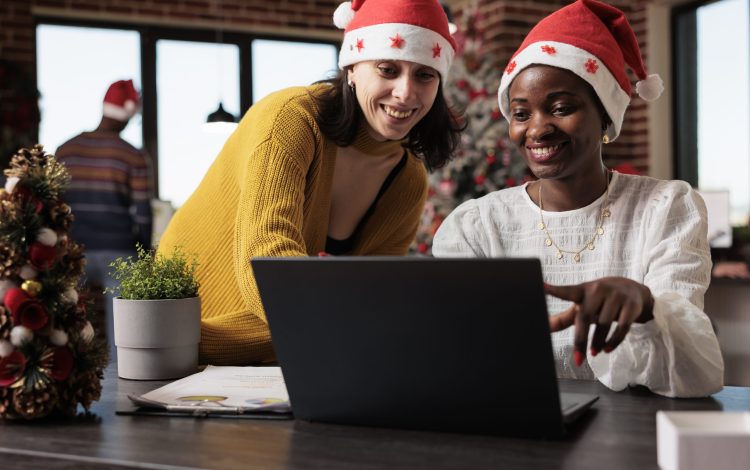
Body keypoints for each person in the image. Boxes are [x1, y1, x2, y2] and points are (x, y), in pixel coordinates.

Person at [433, 0, 724, 398]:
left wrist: (646, 308)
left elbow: (698, 372)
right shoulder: (475, 227)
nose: (537, 129)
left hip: (631, 435)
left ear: (605, 115)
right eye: (521, 114)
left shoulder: (665, 208)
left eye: (561, 108)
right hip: (511, 427)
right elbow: (451, 355)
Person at [158, 0, 463, 365]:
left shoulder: (408, 177)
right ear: (351, 68)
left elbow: (369, 292)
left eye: (424, 75)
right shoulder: (290, 118)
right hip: (188, 325)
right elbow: (267, 268)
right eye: (388, 69)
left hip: (283, 345)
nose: (405, 92)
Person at [56, 79, 154, 360]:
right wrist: (144, 251)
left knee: (65, 324)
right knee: (127, 335)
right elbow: (143, 213)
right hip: (120, 250)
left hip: (73, 251)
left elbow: (54, 205)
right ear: (129, 113)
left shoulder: (65, 150)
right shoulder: (133, 156)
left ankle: (67, 378)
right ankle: (123, 385)